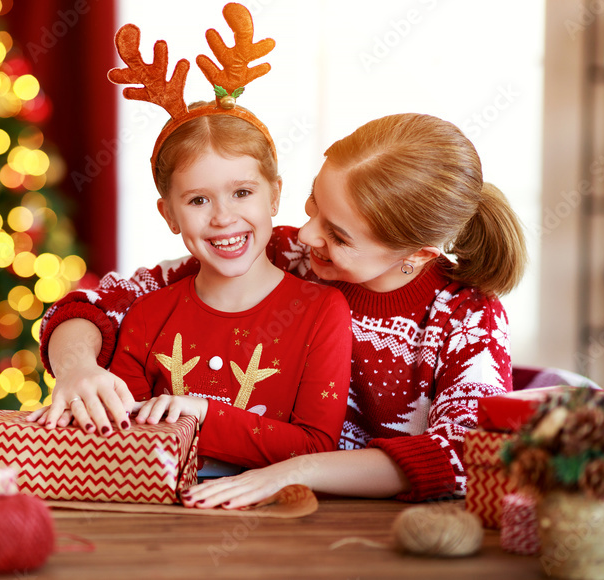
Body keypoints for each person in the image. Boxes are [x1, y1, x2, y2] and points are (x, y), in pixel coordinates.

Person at [30, 112, 527, 504]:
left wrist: (296, 469)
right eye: (313, 206)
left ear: (417, 254)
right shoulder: (285, 253)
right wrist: (76, 367)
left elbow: (470, 455)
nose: (307, 234)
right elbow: (105, 302)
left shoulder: (467, 318)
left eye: (337, 234)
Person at [104, 100, 352, 469]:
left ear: (275, 195)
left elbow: (314, 449)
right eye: (198, 200)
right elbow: (128, 446)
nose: (222, 218)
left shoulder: (322, 311)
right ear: (169, 213)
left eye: (242, 193)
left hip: (278, 518)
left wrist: (201, 413)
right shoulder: (145, 317)